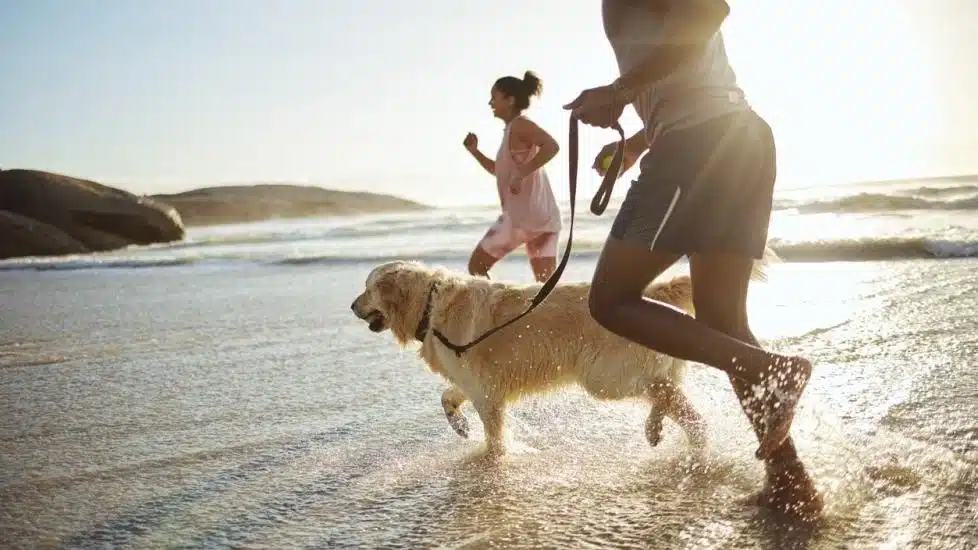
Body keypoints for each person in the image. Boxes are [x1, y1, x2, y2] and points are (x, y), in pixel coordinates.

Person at [563, 0, 823, 519]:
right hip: (730, 137)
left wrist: (619, 91)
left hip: (700, 147)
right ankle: (791, 484)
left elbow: (706, 13)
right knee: (724, 322)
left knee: (611, 300)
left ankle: (773, 369)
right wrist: (638, 141)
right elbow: (688, 70)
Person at [463, 71, 562, 283]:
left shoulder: (519, 125)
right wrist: (475, 152)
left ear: (510, 100)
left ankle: (497, 312)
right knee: (544, 287)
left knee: (476, 268)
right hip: (544, 218)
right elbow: (499, 171)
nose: (490, 102)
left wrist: (522, 172)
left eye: (494, 97)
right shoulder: (512, 129)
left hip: (520, 219)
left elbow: (552, 146)